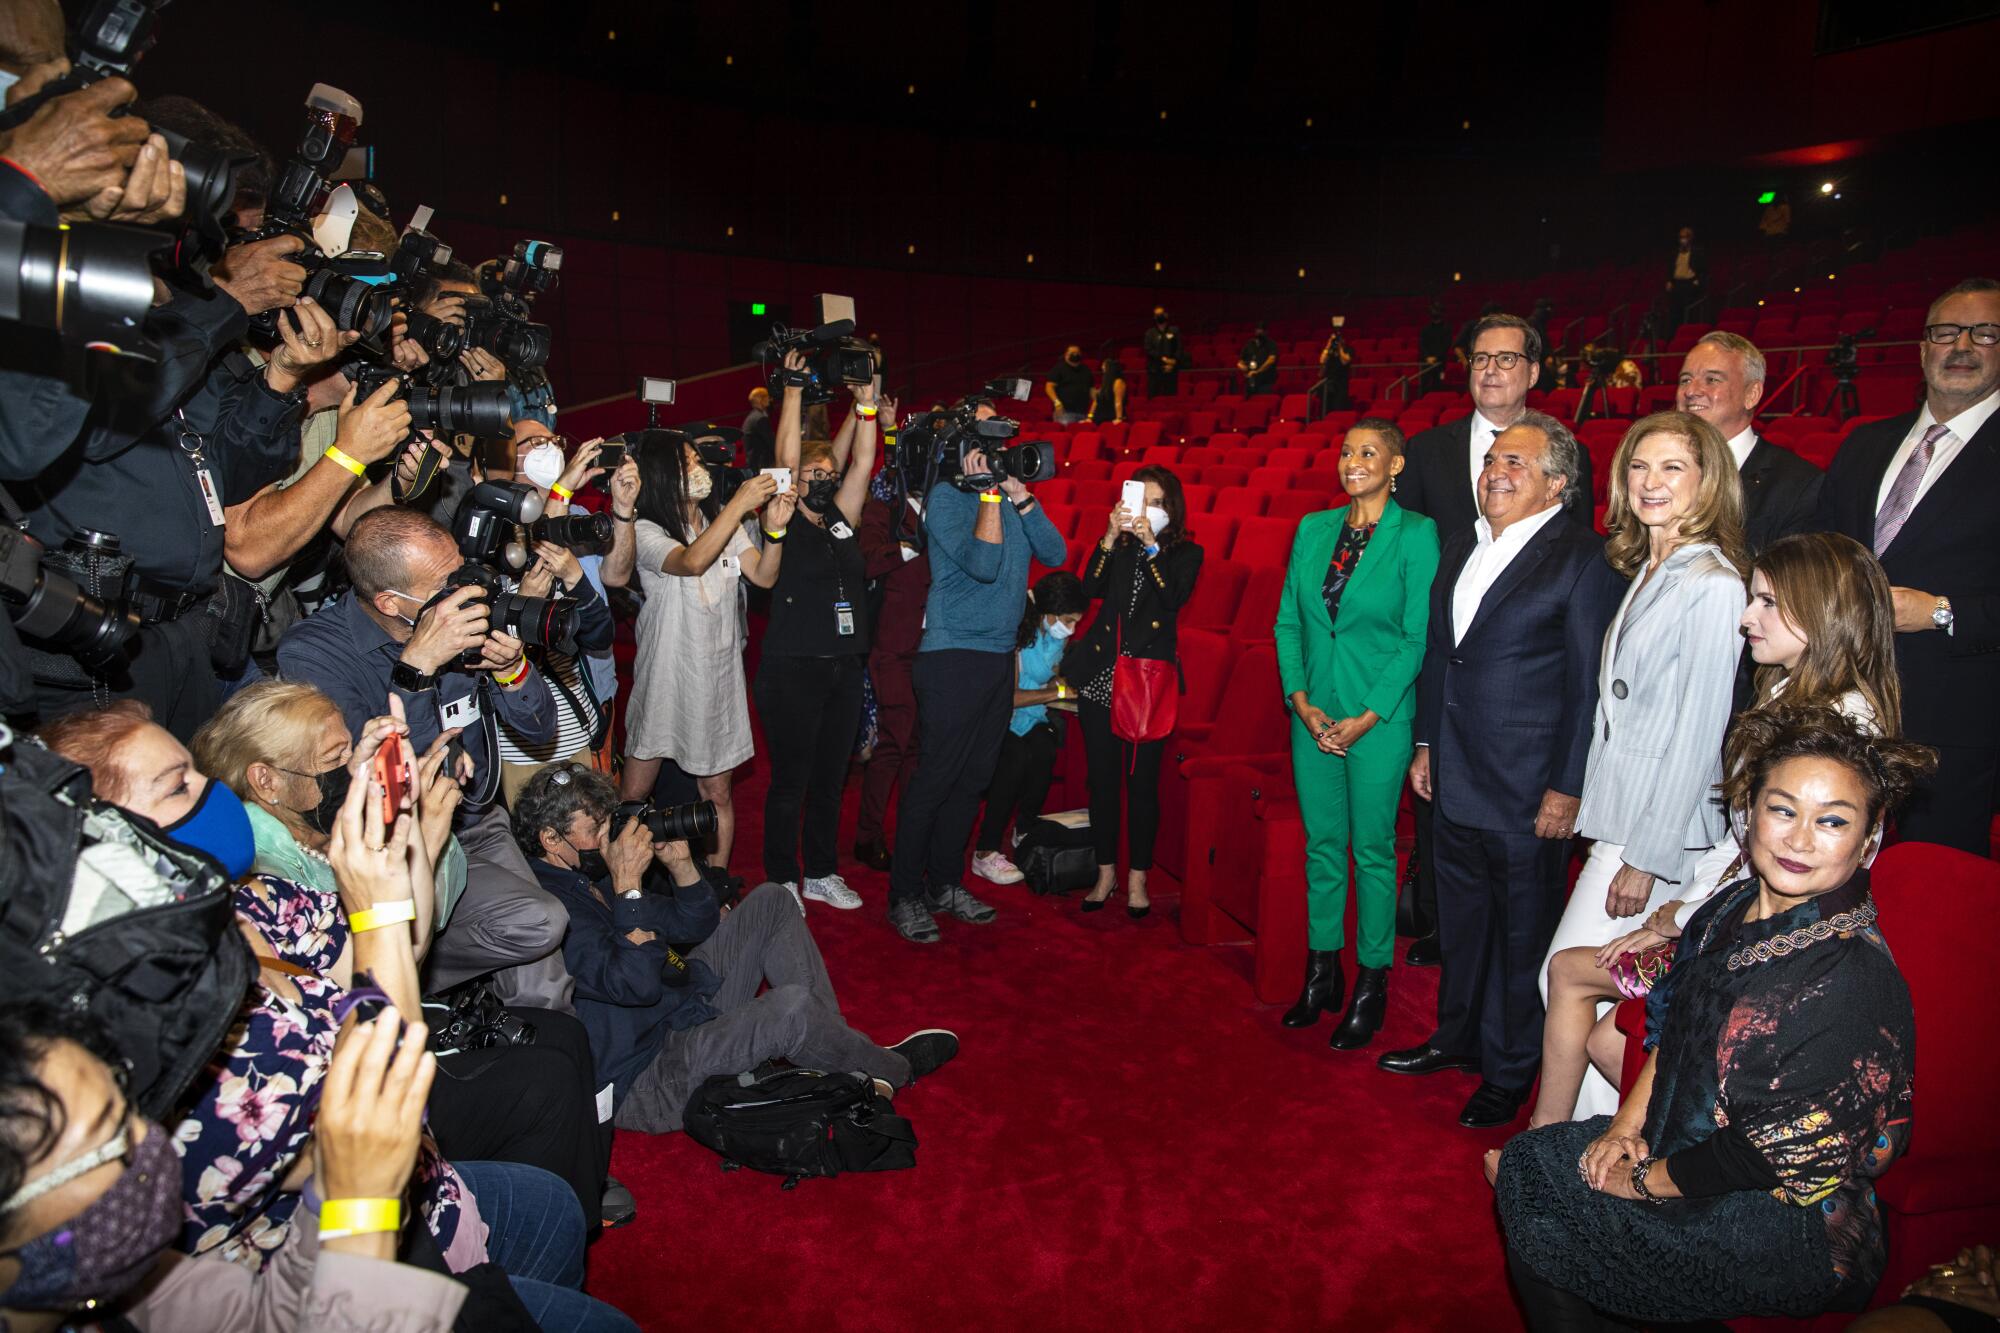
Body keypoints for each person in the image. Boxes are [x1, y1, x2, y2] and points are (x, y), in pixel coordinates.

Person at [37, 703, 635, 1329]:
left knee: (553, 1210)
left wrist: (418, 835)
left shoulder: (256, 902)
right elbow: (382, 1109)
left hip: (420, 1192)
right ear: (102, 845)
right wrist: (381, 899)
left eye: (196, 773)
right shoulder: (143, 1029)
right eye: (177, 785)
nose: (213, 794)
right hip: (326, 1266)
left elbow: (399, 950)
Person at [1492, 710, 1934, 1330]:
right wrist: (1624, 1126)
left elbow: (1772, 1156)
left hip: (1784, 1221)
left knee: (1543, 1193)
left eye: (1832, 820)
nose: (1800, 839)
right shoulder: (1728, 907)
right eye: (1783, 810)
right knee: (1532, 1168)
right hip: (1688, 1153)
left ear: (1868, 841)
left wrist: (1641, 1182)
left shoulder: (1853, 980)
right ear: (1750, 814)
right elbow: (1672, 1025)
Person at [190, 681, 622, 1229]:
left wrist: (426, 830)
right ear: (266, 779)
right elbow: (381, 965)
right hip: (346, 1069)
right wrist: (415, 837)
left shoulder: (309, 826)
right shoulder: (261, 867)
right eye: (335, 757)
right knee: (544, 1082)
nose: (349, 766)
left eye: (351, 747)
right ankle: (533, 1224)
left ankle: (564, 1199)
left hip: (385, 1020)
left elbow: (419, 929)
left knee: (563, 1034)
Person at [1529, 531, 1902, 1128]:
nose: (1747, 617)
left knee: (1586, 1002)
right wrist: (1675, 912)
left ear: (1822, 610)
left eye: (1767, 603)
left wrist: (1677, 920)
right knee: (1576, 981)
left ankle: (1575, 1147)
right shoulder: (1788, 690)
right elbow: (1739, 838)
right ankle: (1550, 1147)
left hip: (1779, 943)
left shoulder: (1837, 726)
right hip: (1738, 915)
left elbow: (1785, 864)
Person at [1378, 413, 1624, 1127]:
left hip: (1528, 791)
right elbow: (1439, 656)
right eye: (1491, 461)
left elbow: (1587, 687)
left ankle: (1510, 1067)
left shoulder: (1584, 557)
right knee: (1460, 924)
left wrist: (1568, 786)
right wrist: (1426, 744)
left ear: (1556, 482)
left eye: (1515, 462)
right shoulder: (1461, 543)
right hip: (1453, 775)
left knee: (1522, 939)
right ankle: (1455, 1038)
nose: (1495, 471)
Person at [514, 765, 959, 1132]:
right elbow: (635, 985)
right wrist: (628, 887)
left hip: (684, 1003)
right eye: (596, 830)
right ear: (552, 840)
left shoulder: (588, 878)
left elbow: (696, 922)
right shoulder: (546, 913)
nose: (612, 839)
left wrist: (683, 867)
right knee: (788, 1008)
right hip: (648, 1074)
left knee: (773, 900)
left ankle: (834, 1051)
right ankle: (893, 1070)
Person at [0, 996, 468, 1332]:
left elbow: (264, 1317)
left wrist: (331, 1185)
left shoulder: (132, 1283)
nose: (152, 1141)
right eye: (112, 1138)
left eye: (129, 1108)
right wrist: (362, 1210)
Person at [277, 506, 576, 1011]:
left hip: (476, 822)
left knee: (543, 985)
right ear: (392, 602)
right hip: (396, 846)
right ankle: (390, 972)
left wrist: (512, 669)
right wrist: (416, 669)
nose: (466, 592)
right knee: (536, 921)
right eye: (447, 583)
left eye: (461, 570)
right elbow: (383, 784)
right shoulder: (315, 656)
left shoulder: (469, 616)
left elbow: (540, 730)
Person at [1541, 410, 1748, 1122]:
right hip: (1623, 814)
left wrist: (1647, 856)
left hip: (1659, 831)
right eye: (1638, 466)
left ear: (1706, 482)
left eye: (1671, 468)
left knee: (1568, 980)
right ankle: (1592, 1145)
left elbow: (1700, 733)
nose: (1650, 482)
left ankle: (1588, 1139)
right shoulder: (1653, 564)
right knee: (1598, 998)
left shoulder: (1713, 582)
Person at [1395, 313, 1595, 967]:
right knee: (1444, 841)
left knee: (1517, 911)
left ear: (1534, 372)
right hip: (1447, 679)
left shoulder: (1568, 450)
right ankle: (1437, 928)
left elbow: (1572, 583)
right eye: (1479, 358)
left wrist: (1567, 776)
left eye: (1506, 359)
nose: (1490, 369)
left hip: (1518, 716)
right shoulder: (1428, 450)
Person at [1818, 276, 2000, 855]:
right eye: (1945, 332)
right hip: (1844, 708)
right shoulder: (1864, 444)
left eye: (1985, 333)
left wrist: (1945, 612)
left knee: (1928, 904)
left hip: (1956, 725)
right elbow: (1822, 558)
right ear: (1923, 348)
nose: (1962, 346)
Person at [1273, 423, 1438, 1047]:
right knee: (1321, 846)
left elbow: (1415, 637)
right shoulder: (1313, 529)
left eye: (1368, 452)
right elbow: (1289, 622)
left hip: (1378, 719)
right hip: (1313, 715)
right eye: (1346, 451)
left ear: (1395, 464)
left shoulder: (1417, 534)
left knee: (1371, 851)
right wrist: (1302, 702)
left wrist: (1367, 715)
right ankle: (1322, 974)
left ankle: (1371, 982)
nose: (1352, 462)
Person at [886, 429, 1067, 944]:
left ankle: (945, 883)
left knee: (973, 782)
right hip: (952, 657)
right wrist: (988, 491)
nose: (997, 455)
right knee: (936, 779)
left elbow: (1054, 553)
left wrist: (1021, 496)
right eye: (985, 448)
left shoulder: (1007, 499)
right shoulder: (946, 499)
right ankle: (904, 894)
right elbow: (985, 565)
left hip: (995, 659)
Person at [620, 429, 789, 878]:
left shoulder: (722, 523)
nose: (699, 469)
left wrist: (774, 530)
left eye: (697, 460)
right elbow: (692, 561)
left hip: (717, 679)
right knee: (634, 797)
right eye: (688, 462)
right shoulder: (647, 529)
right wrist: (740, 503)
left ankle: (715, 887)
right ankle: (621, 881)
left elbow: (765, 577)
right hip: (666, 677)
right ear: (662, 474)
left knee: (718, 795)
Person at [757, 363, 881, 911]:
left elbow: (866, 462)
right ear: (797, 477)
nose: (826, 477)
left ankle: (822, 872)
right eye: (815, 470)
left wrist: (868, 406)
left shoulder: (840, 518)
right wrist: (793, 390)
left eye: (830, 469)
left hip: (845, 667)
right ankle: (783, 874)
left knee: (831, 779)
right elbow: (783, 461)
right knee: (791, 780)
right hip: (792, 667)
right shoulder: (781, 513)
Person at [1068, 466, 1204, 919]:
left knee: (1141, 785)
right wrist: (1110, 536)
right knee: (1102, 782)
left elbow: (1172, 599)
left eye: (1156, 501)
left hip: (1147, 683)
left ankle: (1138, 877)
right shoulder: (1119, 547)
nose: (1146, 509)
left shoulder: (1185, 553)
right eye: (1138, 500)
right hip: (1102, 677)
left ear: (1171, 507)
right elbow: (1087, 590)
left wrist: (1150, 546)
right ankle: (1106, 872)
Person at [969, 570, 1087, 885]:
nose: (1071, 628)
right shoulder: (1018, 633)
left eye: (1076, 621)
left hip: (1032, 714)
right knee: (1015, 759)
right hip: (996, 716)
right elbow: (1010, 697)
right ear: (1047, 613)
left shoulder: (1058, 636)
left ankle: (1025, 830)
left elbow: (1053, 677)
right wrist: (1058, 692)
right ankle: (985, 851)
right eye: (1067, 619)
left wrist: (1063, 684)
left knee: (1045, 750)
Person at [1676, 331, 1822, 552]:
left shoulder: (1798, 485)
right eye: (1685, 380)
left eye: (1712, 379)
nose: (1691, 391)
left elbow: (1794, 580)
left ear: (1752, 394)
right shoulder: (1654, 472)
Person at [854, 467, 933, 871]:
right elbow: (866, 561)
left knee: (918, 745)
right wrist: (907, 547)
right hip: (894, 646)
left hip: (934, 648)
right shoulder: (884, 510)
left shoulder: (947, 508)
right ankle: (867, 836)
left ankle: (910, 833)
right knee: (893, 742)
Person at [1664, 224, 1707, 331]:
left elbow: (1703, 270)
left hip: (1689, 285)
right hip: (1677, 285)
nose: (1682, 240)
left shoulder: (1697, 252)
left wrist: (1697, 282)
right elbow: (1671, 268)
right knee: (1675, 313)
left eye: (1685, 237)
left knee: (1688, 312)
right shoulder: (1675, 253)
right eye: (1681, 237)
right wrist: (1669, 281)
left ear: (1690, 238)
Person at [1045, 346, 1094, 425]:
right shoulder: (1058, 369)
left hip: (1083, 413)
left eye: (1077, 353)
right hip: (1065, 413)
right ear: (1066, 355)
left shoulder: (1086, 370)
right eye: (1072, 353)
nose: (1075, 355)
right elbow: (1049, 387)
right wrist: (1057, 402)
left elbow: (1092, 390)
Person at [1144, 307, 1182, 397]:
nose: (1159, 316)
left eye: (1161, 314)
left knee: (1170, 398)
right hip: (1154, 371)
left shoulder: (1174, 331)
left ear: (1166, 315)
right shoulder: (1150, 333)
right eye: (1157, 315)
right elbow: (1148, 350)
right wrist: (1163, 359)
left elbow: (1179, 348)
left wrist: (1173, 362)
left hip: (1171, 371)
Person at [1317, 318, 1353, 413]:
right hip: (1328, 383)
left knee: (1338, 408)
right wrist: (1328, 345)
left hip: (1341, 383)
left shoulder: (1348, 349)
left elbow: (1345, 361)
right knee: (1326, 408)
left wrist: (1340, 347)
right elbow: (1322, 360)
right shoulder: (1330, 350)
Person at [1417, 304, 1452, 395]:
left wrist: (1436, 357)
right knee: (1424, 383)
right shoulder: (1425, 329)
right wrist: (1427, 357)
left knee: (1439, 384)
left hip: (1440, 362)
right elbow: (1422, 345)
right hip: (1426, 362)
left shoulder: (1446, 329)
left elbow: (1446, 345)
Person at [1237, 325, 1279, 396]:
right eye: (1257, 330)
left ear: (1266, 332)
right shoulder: (1249, 344)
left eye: (1261, 330)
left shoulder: (1271, 344)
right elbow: (1240, 362)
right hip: (1251, 380)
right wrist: (1243, 368)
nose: (1259, 332)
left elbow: (1271, 360)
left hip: (1266, 381)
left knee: (1264, 401)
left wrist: (1258, 371)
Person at [743, 385, 777, 470]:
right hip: (762, 465)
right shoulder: (760, 419)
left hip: (755, 464)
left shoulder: (753, 417)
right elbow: (772, 444)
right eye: (768, 397)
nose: (771, 400)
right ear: (761, 399)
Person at [1092, 350, 1127, 425]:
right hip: (1100, 417)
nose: (1102, 367)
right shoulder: (1105, 383)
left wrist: (1119, 418)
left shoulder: (1118, 382)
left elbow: (1118, 401)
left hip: (1112, 416)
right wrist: (1089, 417)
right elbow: (1096, 402)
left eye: (1104, 366)